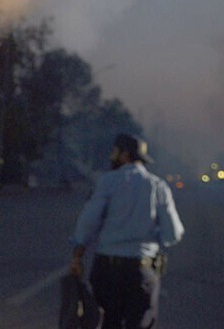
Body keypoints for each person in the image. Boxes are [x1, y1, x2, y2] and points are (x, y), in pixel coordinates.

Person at [68, 133, 185, 329]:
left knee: (107, 322)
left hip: (107, 269)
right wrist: (151, 235)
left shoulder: (107, 182)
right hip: (142, 270)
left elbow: (88, 222)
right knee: (139, 323)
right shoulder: (158, 186)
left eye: (114, 153)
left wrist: (77, 257)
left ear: (124, 155)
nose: (112, 158)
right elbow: (172, 234)